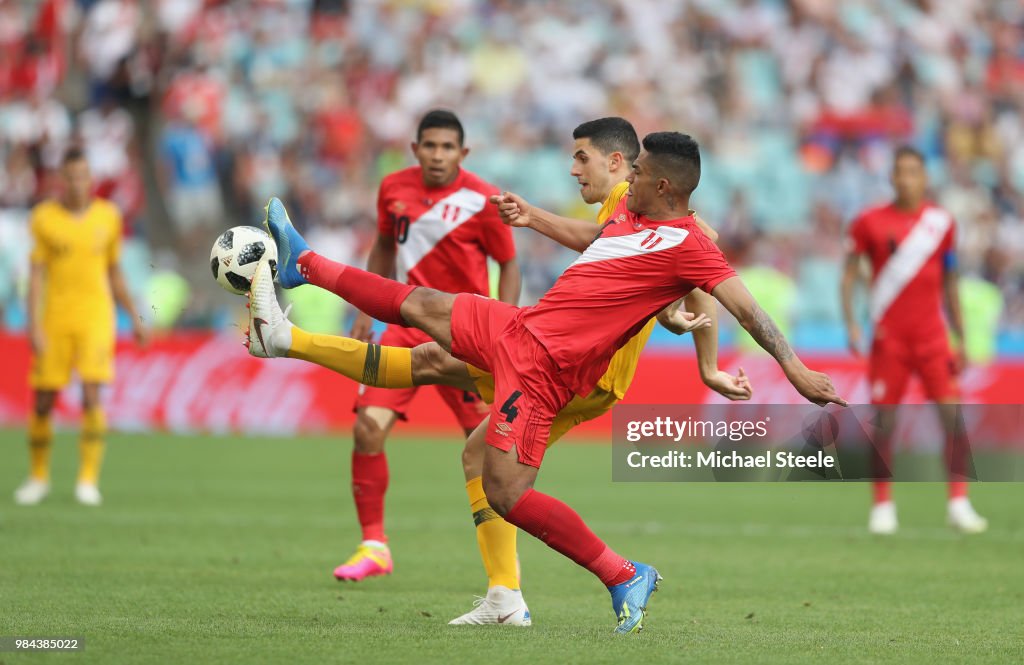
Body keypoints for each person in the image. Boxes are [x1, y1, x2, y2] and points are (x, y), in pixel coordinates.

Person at [261, 131, 844, 633]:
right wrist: (658, 308)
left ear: (663, 186)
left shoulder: (693, 246)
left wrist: (791, 368)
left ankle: (622, 574)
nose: (628, 178)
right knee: (419, 308)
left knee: (505, 494)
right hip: (519, 328)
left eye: (637, 172)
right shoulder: (629, 215)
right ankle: (303, 266)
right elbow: (611, 260)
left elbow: (742, 308)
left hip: (546, 374)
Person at [332, 110, 521, 582]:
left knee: (491, 454)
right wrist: (365, 308)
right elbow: (382, 247)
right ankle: (374, 545)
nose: (438, 155)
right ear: (415, 149)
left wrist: (506, 327)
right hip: (404, 328)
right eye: (430, 146)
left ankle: (504, 573)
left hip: (466, 337)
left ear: (463, 153)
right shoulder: (393, 188)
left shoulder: (483, 200)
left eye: (447, 147)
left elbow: (509, 263)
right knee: (366, 431)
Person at [841, 146, 987, 535]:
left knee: (952, 417)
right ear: (892, 177)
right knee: (885, 422)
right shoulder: (868, 222)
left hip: (933, 338)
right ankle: (882, 505)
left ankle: (958, 501)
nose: (906, 178)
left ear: (924, 178)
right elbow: (849, 275)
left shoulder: (942, 223)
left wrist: (961, 335)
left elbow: (949, 281)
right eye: (900, 171)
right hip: (890, 339)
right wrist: (853, 324)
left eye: (913, 172)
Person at [14, 147, 147, 507]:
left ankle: (88, 480)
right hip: (54, 318)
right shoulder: (44, 218)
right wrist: (33, 325)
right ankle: (37, 477)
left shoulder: (108, 217)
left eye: (83, 176)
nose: (76, 183)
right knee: (43, 401)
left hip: (95, 317)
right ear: (61, 179)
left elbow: (115, 271)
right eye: (70, 176)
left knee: (91, 394)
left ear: (91, 179)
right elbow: (36, 276)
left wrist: (135, 315)